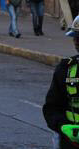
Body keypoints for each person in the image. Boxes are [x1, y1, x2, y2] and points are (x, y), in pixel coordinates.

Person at [43, 15, 79, 147]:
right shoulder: (66, 68)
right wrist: (63, 126)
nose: (76, 41)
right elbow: (51, 108)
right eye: (75, 37)